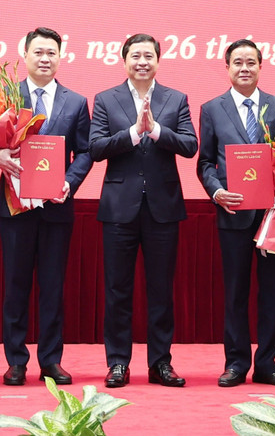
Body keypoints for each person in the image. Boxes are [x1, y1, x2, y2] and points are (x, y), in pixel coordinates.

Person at [0, 27, 93, 386]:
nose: (44, 58)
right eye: (38, 52)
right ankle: (16, 361)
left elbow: (85, 150)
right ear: (24, 55)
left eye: (51, 52)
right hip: (14, 206)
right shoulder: (4, 96)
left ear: (60, 57)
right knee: (16, 285)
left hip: (56, 206)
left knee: (53, 287)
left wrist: (70, 181)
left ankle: (51, 360)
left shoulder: (76, 102)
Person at [89, 33, 197, 388]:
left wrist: (157, 131)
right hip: (119, 208)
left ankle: (160, 363)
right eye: (135, 56)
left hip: (163, 208)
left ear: (158, 61)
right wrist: (134, 133)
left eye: (148, 56)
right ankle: (118, 362)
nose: (142, 62)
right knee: (117, 290)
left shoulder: (176, 99)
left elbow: (190, 145)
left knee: (161, 290)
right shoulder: (105, 99)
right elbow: (96, 148)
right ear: (124, 61)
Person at [197, 38, 275, 388]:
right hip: (233, 212)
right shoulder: (212, 109)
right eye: (238, 62)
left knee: (271, 291)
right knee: (236, 292)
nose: (244, 68)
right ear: (227, 67)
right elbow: (205, 162)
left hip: (273, 215)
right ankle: (236, 363)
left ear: (260, 66)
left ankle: (268, 364)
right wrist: (216, 191)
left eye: (250, 62)